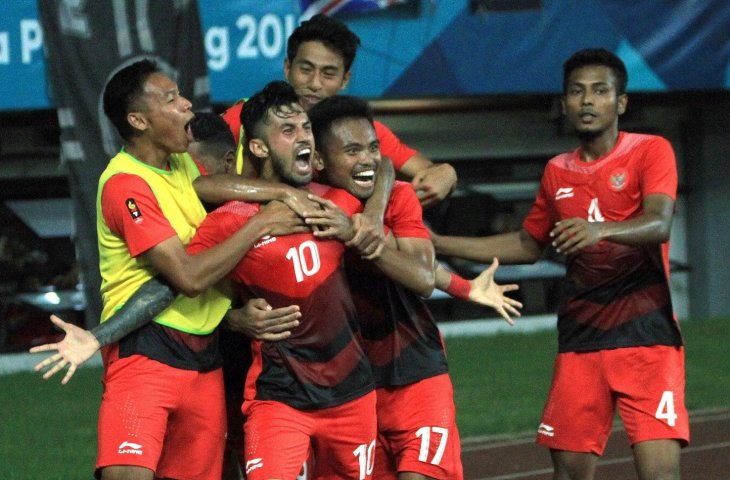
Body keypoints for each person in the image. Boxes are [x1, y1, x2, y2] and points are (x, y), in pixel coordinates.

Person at [29, 60, 307, 480]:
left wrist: (281, 192)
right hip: (146, 353)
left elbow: (210, 188)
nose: (186, 104)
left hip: (203, 361)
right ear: (138, 120)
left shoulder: (179, 165)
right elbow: (189, 278)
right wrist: (263, 221)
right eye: (171, 99)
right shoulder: (126, 183)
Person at [430, 48, 688, 480]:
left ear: (620, 102)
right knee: (568, 474)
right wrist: (440, 241)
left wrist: (598, 230)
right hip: (580, 339)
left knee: (659, 475)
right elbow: (527, 244)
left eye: (599, 91)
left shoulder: (651, 151)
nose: (587, 101)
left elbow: (660, 222)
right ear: (565, 103)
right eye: (577, 92)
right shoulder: (557, 171)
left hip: (648, 337)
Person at [187, 80, 395, 480]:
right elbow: (190, 283)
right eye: (288, 131)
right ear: (259, 148)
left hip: (352, 395)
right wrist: (232, 317)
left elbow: (383, 165)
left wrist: (371, 215)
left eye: (306, 128)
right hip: (279, 398)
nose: (304, 138)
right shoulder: (229, 219)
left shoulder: (337, 199)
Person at [304, 94, 519, 479]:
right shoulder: (308, 208)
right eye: (351, 151)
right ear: (318, 160)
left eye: (371, 148)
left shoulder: (399, 197)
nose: (366, 159)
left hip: (415, 374)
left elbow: (421, 276)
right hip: (348, 388)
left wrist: (360, 234)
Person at [215, 13, 457, 209]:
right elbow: (201, 182)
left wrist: (447, 173)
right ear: (288, 67)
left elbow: (427, 172)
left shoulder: (357, 130)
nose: (315, 83)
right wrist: (286, 195)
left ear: (345, 80)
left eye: (328, 73)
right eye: (306, 69)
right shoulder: (243, 118)